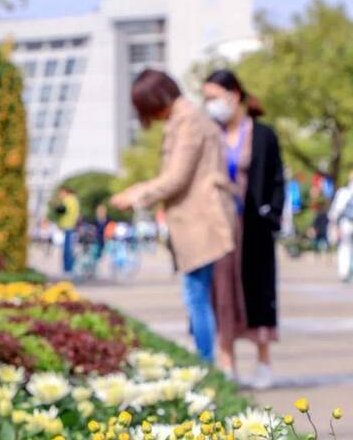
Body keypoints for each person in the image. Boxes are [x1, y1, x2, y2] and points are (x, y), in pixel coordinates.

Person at [112, 68, 234, 362]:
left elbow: (176, 177)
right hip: (196, 221)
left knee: (196, 295)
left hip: (200, 222)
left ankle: (207, 366)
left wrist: (136, 195)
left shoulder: (188, 121)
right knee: (198, 294)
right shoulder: (185, 119)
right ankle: (205, 361)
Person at [203, 71, 284, 388]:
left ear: (234, 94)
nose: (210, 104)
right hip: (220, 227)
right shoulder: (212, 134)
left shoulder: (263, 134)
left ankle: (263, 361)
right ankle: (226, 360)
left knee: (258, 290)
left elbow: (277, 179)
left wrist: (271, 215)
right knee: (221, 291)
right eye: (206, 98)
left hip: (254, 226)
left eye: (214, 97)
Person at [329, 171, 353, 281]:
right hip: (347, 224)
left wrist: (334, 226)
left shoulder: (343, 192)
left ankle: (344, 273)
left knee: (344, 248)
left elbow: (335, 212)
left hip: (346, 225)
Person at [53, 186, 80, 275]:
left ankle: (68, 269)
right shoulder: (74, 200)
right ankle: (68, 268)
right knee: (67, 249)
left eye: (61, 193)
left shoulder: (70, 200)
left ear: (65, 192)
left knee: (67, 250)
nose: (60, 195)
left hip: (69, 227)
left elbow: (62, 210)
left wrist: (55, 205)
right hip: (69, 227)